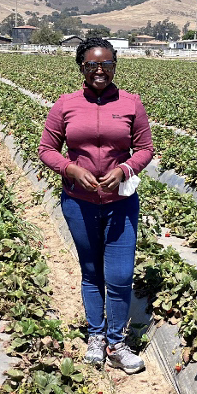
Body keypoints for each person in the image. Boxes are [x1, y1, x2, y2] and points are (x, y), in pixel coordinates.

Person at [38, 37, 154, 373]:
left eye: (106, 64)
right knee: (91, 271)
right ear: (82, 68)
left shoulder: (131, 103)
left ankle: (116, 343)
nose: (99, 71)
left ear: (115, 65)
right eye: (92, 65)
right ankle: (96, 335)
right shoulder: (66, 104)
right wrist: (70, 169)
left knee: (120, 274)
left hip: (120, 203)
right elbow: (47, 149)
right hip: (79, 202)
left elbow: (145, 148)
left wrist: (124, 170)